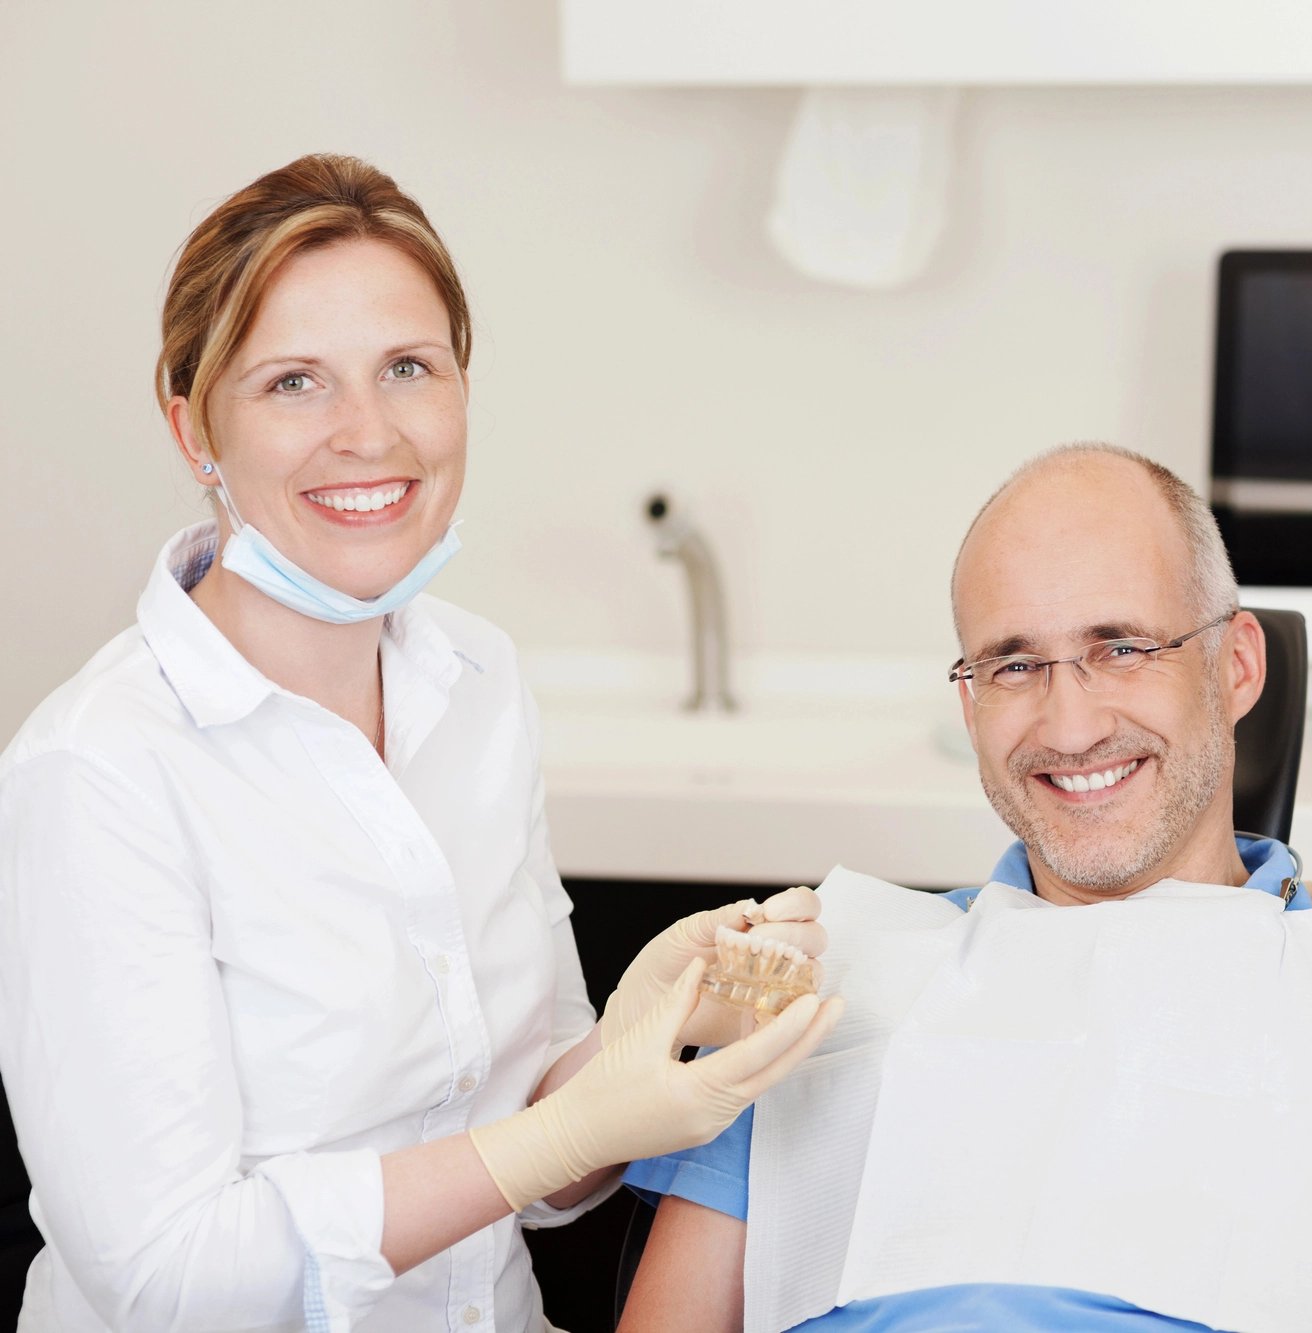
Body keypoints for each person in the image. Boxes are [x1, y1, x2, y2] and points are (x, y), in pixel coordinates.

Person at [0, 155, 842, 1332]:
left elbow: (543, 1164)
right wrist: (557, 1128)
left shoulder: (477, 680)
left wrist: (644, 1038)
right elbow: (167, 1276)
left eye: (408, 367)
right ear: (194, 425)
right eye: (293, 382)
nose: (368, 432)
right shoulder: (101, 769)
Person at [618, 445, 1312, 1333]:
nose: (1068, 726)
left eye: (1119, 647)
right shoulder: (828, 982)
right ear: (967, 704)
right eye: (1012, 664)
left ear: (1236, 667)